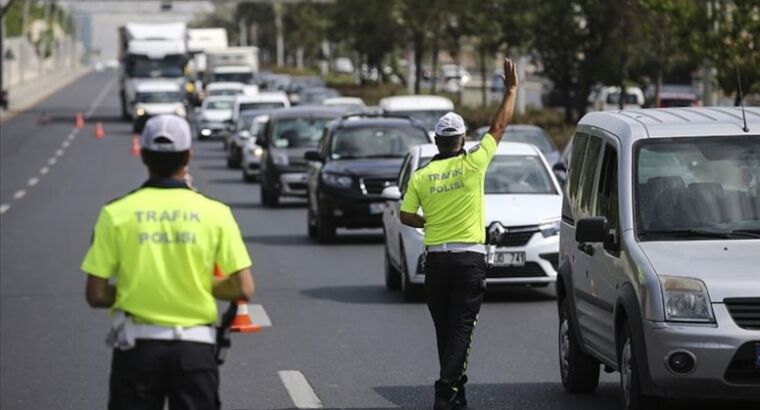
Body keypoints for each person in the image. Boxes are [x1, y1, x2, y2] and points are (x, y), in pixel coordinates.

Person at [82, 114, 255, 410]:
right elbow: (243, 287)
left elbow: (96, 294)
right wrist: (195, 284)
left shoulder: (115, 213)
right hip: (196, 351)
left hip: (137, 350)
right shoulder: (216, 213)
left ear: (144, 155)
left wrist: (135, 288)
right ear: (188, 155)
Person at [399, 58, 518, 410]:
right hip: (469, 260)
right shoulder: (473, 163)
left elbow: (406, 215)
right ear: (463, 139)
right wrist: (511, 90)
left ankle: (455, 395)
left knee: (445, 331)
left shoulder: (421, 176)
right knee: (462, 330)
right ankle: (444, 389)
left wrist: (428, 223)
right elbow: (498, 127)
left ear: (436, 141)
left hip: (436, 262)